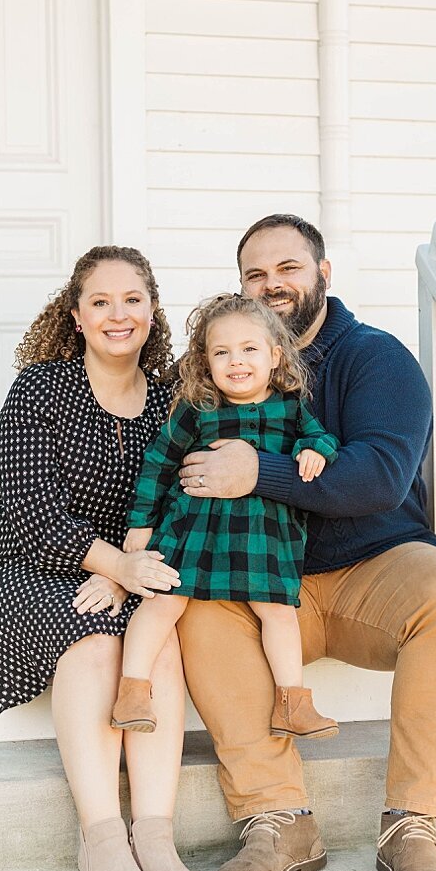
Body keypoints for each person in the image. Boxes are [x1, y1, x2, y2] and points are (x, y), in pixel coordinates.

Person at [175, 215, 436, 871]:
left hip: (369, 569)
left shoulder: (375, 359)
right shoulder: (226, 360)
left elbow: (376, 476)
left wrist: (259, 471)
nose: (272, 284)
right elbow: (151, 432)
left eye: (287, 268)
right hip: (262, 579)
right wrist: (21, 454)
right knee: (197, 610)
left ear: (323, 273)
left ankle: (415, 826)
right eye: (255, 275)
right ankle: (278, 820)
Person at [0, 246, 207, 871]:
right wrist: (117, 567)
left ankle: (155, 837)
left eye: (132, 299)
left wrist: (130, 577)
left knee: (159, 643)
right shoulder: (41, 389)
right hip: (19, 567)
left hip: (121, 573)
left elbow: (184, 504)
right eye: (100, 301)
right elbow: (33, 512)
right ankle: (100, 837)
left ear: (152, 310)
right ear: (76, 316)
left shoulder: (171, 403)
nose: (117, 314)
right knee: (98, 642)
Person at [111, 292, 340, 744]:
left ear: (275, 356)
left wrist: (313, 450)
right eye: (222, 352)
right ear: (205, 362)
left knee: (279, 613)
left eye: (249, 349)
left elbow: (321, 437)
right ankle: (132, 691)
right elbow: (159, 463)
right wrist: (140, 523)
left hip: (264, 536)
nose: (236, 362)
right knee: (162, 602)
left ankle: (293, 702)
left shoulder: (291, 407)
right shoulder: (199, 410)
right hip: (196, 530)